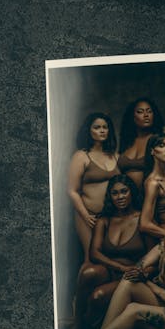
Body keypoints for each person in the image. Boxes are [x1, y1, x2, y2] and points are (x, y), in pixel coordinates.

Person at [66, 174, 150, 329]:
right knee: (87, 273)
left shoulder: (142, 219)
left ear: (132, 192)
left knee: (98, 296)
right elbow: (94, 253)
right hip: (111, 269)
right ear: (110, 197)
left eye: (124, 192)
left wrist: (142, 272)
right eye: (115, 193)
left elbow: (154, 256)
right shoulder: (104, 220)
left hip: (130, 276)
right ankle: (78, 324)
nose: (120, 197)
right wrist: (120, 267)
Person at [66, 112, 120, 262]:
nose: (102, 130)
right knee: (91, 259)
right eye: (97, 127)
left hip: (111, 217)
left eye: (105, 127)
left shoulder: (115, 155)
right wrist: (86, 215)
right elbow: (72, 190)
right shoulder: (81, 156)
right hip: (89, 215)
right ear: (89, 131)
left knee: (110, 258)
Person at [117, 97, 165, 192]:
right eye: (140, 112)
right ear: (133, 117)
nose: (146, 115)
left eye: (149, 111)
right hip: (126, 201)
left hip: (151, 197)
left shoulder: (159, 140)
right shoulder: (127, 141)